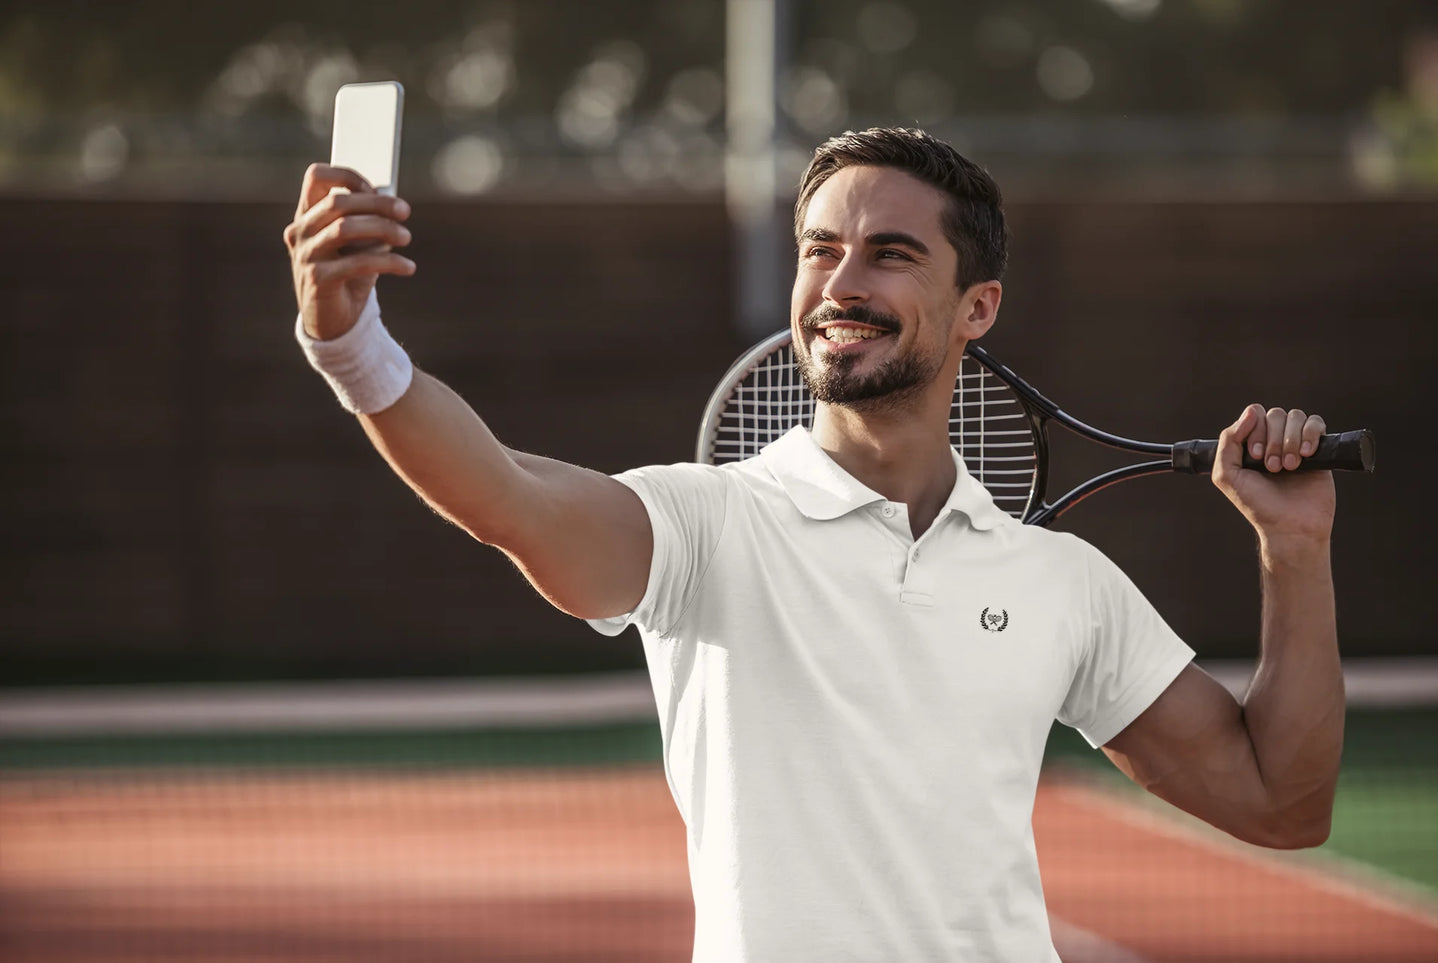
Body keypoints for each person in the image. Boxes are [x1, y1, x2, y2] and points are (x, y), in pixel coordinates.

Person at [284, 127, 1342, 962]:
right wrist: (350, 346)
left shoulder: (1060, 581)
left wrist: (1290, 551)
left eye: (888, 255)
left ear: (976, 306)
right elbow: (504, 496)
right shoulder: (704, 525)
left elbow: (1279, 805)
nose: (839, 286)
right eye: (819, 251)